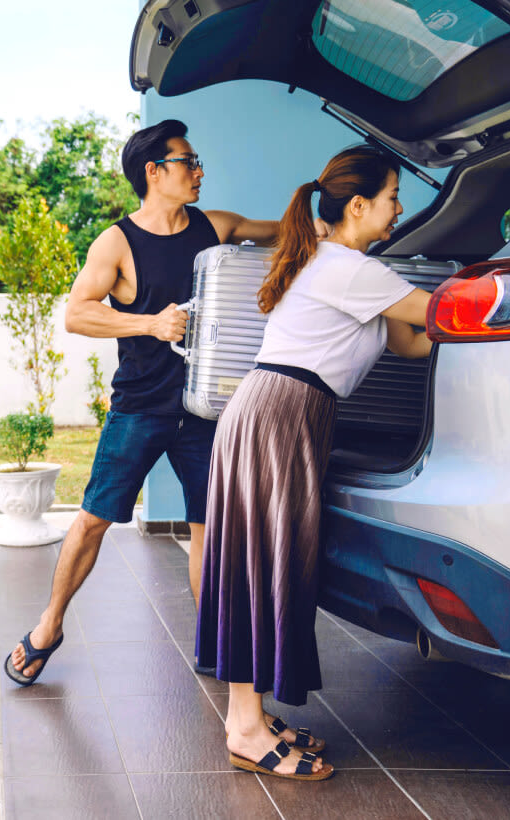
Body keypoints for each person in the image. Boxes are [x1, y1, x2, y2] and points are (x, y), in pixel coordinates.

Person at [4, 119, 278, 686]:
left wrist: (322, 211)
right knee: (93, 521)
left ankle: (213, 643)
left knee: (209, 527)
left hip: (206, 411)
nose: (200, 170)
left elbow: (281, 233)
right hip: (141, 408)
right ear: (154, 172)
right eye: (188, 160)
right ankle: (49, 626)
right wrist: (151, 324)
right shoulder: (117, 241)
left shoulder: (215, 227)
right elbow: (78, 312)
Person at [195, 145, 433, 781]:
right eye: (391, 198)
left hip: (282, 412)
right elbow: (432, 315)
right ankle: (244, 728)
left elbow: (413, 341)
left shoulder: (349, 267)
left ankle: (250, 715)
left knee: (266, 560)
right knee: (260, 563)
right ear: (358, 206)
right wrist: (492, 293)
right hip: (283, 412)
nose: (398, 209)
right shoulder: (350, 269)